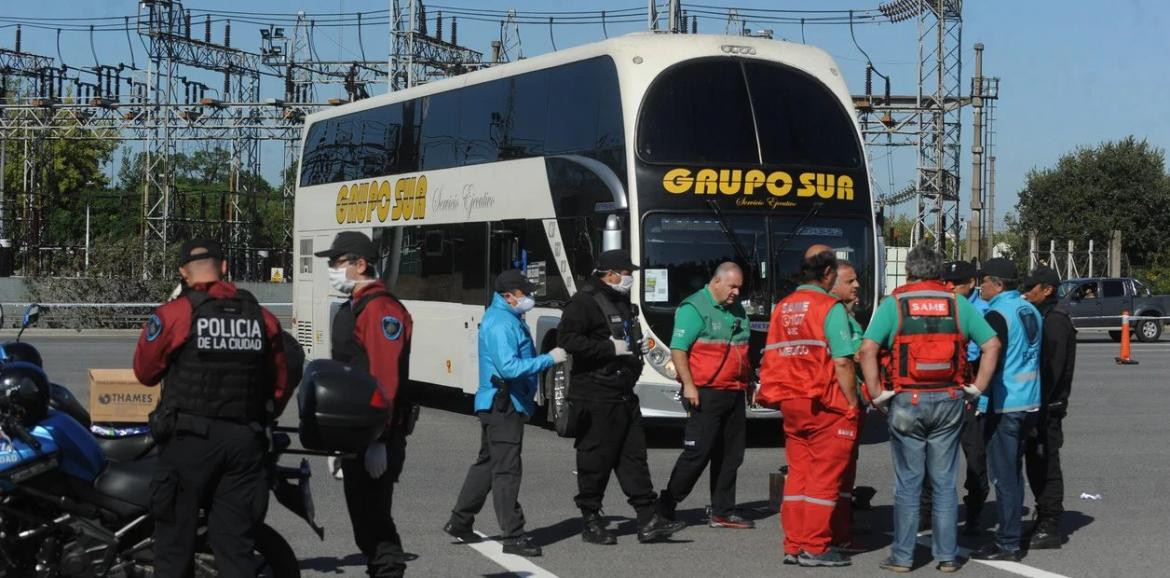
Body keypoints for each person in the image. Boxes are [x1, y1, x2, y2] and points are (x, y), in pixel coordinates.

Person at [133, 239, 290, 577]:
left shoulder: (176, 314)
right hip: (243, 444)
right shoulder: (262, 318)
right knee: (236, 551)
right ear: (225, 268)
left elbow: (145, 374)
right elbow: (278, 385)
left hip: (189, 443)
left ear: (182, 273)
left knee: (174, 549)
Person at [858, 245, 1001, 574]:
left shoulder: (894, 304)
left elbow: (867, 350)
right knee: (944, 480)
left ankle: (903, 556)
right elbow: (992, 344)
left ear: (909, 272)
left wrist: (878, 396)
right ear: (939, 273)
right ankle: (947, 556)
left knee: (908, 482)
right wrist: (977, 388)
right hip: (950, 399)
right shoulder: (957, 303)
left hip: (908, 399)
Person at [557, 249, 685, 545]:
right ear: (611, 273)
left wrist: (634, 364)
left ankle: (647, 519)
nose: (630, 278)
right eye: (627, 274)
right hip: (594, 395)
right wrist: (608, 349)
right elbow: (568, 340)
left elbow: (631, 337)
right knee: (595, 460)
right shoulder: (584, 302)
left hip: (623, 394)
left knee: (634, 458)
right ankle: (590, 520)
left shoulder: (620, 300)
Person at [444, 270, 568, 557]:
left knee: (488, 464)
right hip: (504, 404)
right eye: (524, 293)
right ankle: (513, 536)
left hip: (499, 403)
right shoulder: (501, 323)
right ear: (508, 295)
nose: (529, 298)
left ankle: (460, 521)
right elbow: (509, 368)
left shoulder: (507, 318)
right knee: (507, 471)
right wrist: (549, 359)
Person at [315, 231, 415, 577]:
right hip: (355, 434)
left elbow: (384, 378)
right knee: (364, 523)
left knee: (375, 524)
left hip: (375, 435)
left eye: (338, 262)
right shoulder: (354, 306)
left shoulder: (380, 310)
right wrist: (338, 440)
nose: (332, 268)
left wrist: (379, 440)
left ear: (361, 264)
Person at [757, 246, 861, 568]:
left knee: (799, 475)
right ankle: (815, 547)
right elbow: (842, 361)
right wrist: (853, 403)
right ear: (828, 274)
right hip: (825, 402)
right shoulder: (830, 307)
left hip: (790, 402)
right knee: (824, 477)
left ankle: (794, 544)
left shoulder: (783, 307)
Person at [657, 262, 754, 529]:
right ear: (716, 282)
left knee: (731, 455)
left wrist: (750, 381)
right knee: (697, 453)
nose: (736, 292)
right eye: (732, 286)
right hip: (705, 392)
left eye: (739, 288)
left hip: (734, 391)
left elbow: (742, 349)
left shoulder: (737, 310)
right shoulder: (695, 307)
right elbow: (679, 349)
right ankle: (666, 505)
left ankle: (723, 510)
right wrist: (689, 385)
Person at [969, 258, 1042, 562]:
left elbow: (992, 357)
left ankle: (1008, 542)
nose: (979, 285)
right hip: (1029, 400)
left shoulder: (997, 313)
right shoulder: (1031, 310)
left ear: (998, 284)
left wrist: (977, 390)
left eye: (984, 280)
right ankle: (1009, 536)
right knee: (1014, 473)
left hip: (1005, 402)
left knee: (1004, 476)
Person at [919, 260, 992, 536]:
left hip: (971, 395)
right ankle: (925, 513)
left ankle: (974, 513)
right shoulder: (944, 306)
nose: (948, 287)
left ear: (970, 284)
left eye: (954, 284)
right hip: (943, 393)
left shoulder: (981, 310)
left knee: (975, 459)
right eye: (946, 282)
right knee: (931, 456)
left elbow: (983, 350)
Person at [1021, 266, 1076, 550]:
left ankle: (1050, 524)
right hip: (1041, 405)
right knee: (1036, 463)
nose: (1026, 292)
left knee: (1046, 465)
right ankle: (1043, 517)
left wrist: (1039, 405)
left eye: (1031, 288)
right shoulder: (1043, 315)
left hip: (1047, 407)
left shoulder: (1054, 320)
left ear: (1047, 290)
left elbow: (1052, 369)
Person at [827, 259, 867, 547]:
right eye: (850, 281)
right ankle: (837, 531)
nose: (857, 286)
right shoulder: (834, 313)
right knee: (839, 469)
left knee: (844, 466)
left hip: (841, 398)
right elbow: (848, 357)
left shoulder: (841, 312)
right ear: (832, 283)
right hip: (841, 401)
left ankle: (838, 526)